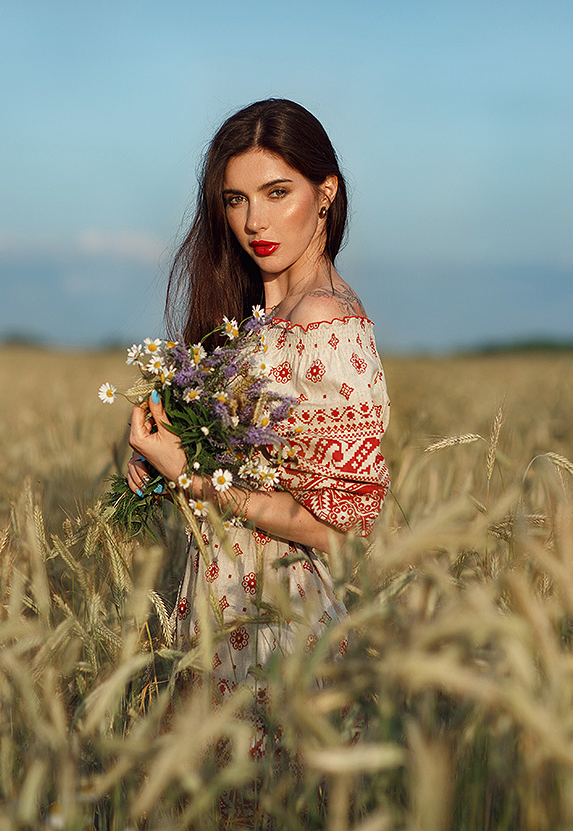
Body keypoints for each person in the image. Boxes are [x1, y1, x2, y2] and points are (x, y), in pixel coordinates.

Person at [126, 98, 390, 725]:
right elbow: (253, 470)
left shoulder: (326, 323)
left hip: (281, 632)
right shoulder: (262, 318)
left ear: (325, 193)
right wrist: (163, 431)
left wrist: (188, 475)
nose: (254, 220)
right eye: (236, 199)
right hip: (226, 618)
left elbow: (343, 532)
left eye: (277, 192)